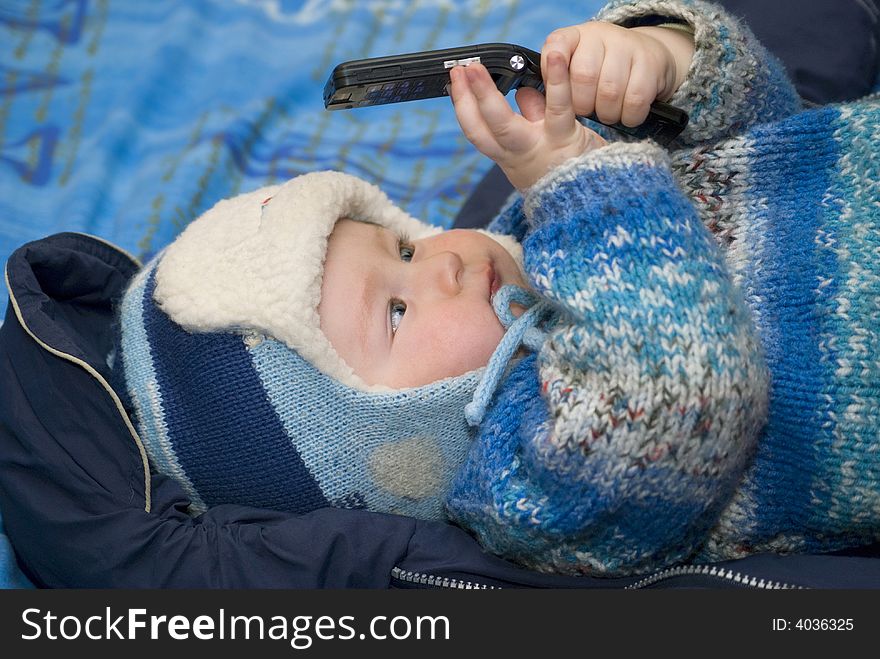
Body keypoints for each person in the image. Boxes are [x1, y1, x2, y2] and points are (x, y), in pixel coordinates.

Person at [112, 0, 880, 577]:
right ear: (387, 451)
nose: (440, 262)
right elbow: (688, 396)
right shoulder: (527, 487)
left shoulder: (543, 214)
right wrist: (578, 182)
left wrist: (665, 60)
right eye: (398, 310)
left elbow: (769, 126)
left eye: (404, 245)